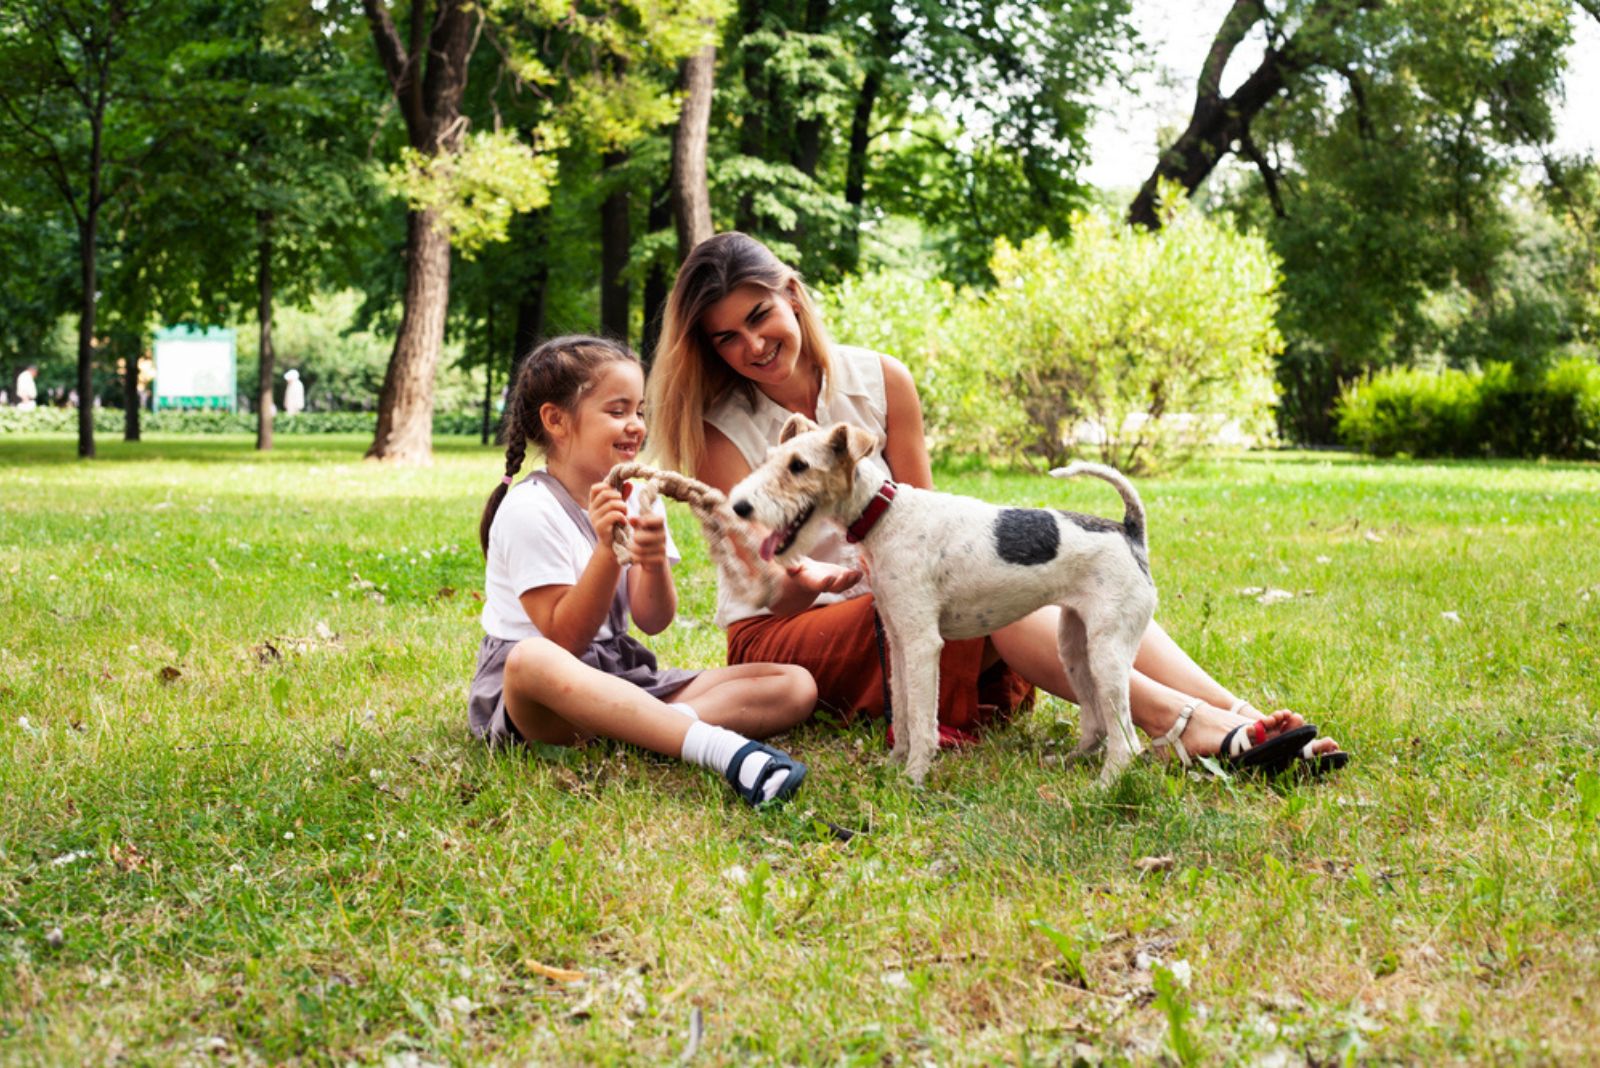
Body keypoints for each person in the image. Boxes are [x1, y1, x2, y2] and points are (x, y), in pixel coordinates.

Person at [646, 232, 1344, 771]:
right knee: (1002, 584)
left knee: (1065, 566)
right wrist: (839, 576)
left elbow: (920, 518)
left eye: (760, 315)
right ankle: (1201, 733)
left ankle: (1248, 714)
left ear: (792, 294)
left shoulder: (881, 380)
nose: (752, 345)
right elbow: (768, 587)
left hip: (904, 593)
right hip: (793, 632)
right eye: (725, 338)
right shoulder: (720, 429)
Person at [471, 334, 817, 807]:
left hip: (619, 675)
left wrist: (652, 563)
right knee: (531, 659)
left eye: (639, 411)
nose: (636, 426)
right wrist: (607, 550)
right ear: (556, 420)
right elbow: (564, 640)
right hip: (542, 697)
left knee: (795, 684)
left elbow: (653, 620)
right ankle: (716, 749)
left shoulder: (635, 496)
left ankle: (643, 731)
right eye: (617, 411)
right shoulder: (529, 509)